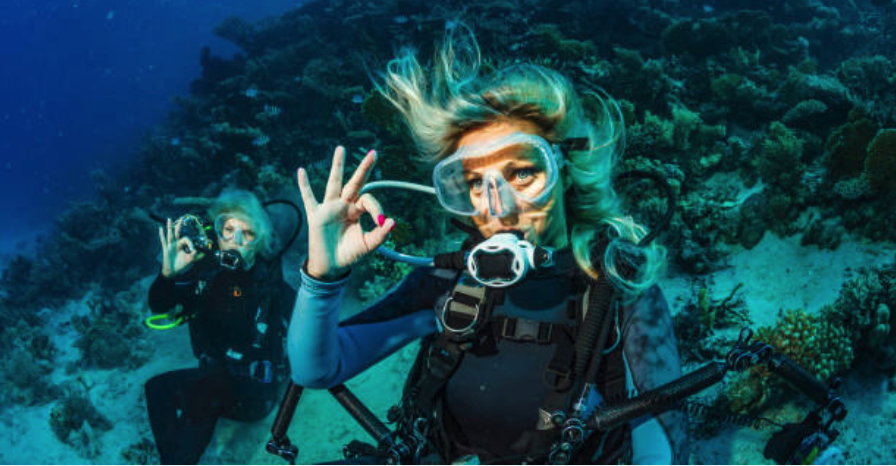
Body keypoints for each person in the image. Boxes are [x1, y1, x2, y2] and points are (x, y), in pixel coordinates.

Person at [288, 29, 689, 464]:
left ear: (566, 170)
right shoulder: (445, 281)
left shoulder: (620, 291)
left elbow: (664, 451)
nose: (499, 208)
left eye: (520, 174)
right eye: (476, 183)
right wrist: (321, 278)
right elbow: (317, 370)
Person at [145, 189, 296, 464]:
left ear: (259, 240)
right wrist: (167, 275)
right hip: (213, 376)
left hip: (255, 394)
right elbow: (158, 305)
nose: (235, 241)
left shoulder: (270, 286)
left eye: (247, 234)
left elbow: (306, 328)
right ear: (217, 230)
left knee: (207, 391)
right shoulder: (205, 273)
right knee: (156, 389)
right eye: (228, 230)